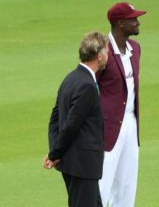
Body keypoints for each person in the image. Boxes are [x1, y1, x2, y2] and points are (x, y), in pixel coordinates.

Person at [42, 31, 109, 207]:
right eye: (107, 51)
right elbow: (71, 124)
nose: (108, 54)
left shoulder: (70, 78)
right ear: (99, 56)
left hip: (74, 163)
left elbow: (54, 119)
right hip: (83, 165)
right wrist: (55, 153)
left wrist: (55, 151)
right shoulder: (87, 85)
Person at [96, 2, 146, 207]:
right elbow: (88, 86)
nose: (138, 22)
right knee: (102, 184)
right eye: (133, 19)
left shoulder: (135, 48)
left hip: (131, 124)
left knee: (127, 185)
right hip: (107, 128)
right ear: (121, 23)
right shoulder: (102, 51)